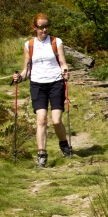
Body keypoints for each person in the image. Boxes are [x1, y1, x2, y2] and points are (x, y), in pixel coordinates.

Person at [15, 16, 72, 167]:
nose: (44, 30)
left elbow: (63, 63)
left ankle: (64, 144)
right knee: (41, 119)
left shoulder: (56, 42)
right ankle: (42, 154)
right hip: (37, 85)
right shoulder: (29, 44)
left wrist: (65, 72)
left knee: (56, 120)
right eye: (41, 27)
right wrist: (19, 77)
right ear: (35, 28)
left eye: (46, 26)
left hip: (55, 83)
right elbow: (27, 70)